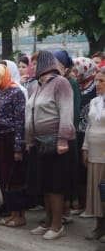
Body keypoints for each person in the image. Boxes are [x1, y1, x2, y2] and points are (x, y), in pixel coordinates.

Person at [26, 50, 76, 240]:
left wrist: (63, 139)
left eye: (35, 62)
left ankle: (57, 225)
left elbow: (66, 112)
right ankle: (47, 222)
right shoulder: (36, 86)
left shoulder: (60, 83)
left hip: (56, 142)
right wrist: (29, 139)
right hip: (39, 143)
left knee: (56, 186)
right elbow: (30, 113)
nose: (32, 66)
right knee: (44, 185)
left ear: (45, 63)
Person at [0, 63, 26, 227]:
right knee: (4, 177)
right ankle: (11, 212)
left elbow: (20, 121)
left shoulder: (16, 92)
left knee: (15, 177)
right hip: (0, 139)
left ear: (1, 75)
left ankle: (20, 215)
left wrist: (18, 147)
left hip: (12, 138)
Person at [54, 50, 81, 222]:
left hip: (68, 134)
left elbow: (74, 111)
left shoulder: (70, 83)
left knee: (67, 172)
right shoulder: (57, 82)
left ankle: (66, 210)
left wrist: (67, 131)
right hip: (57, 132)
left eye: (57, 64)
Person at [82, 67, 105, 242]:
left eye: (102, 81)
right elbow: (89, 125)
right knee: (96, 190)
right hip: (94, 151)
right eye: (97, 80)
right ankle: (98, 227)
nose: (98, 84)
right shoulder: (95, 101)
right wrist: (85, 147)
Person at [73, 57, 98, 217]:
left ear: (85, 70)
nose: (75, 73)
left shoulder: (96, 87)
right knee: (79, 170)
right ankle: (82, 203)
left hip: (91, 134)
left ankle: (92, 205)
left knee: (91, 171)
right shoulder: (78, 86)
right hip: (77, 133)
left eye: (77, 70)